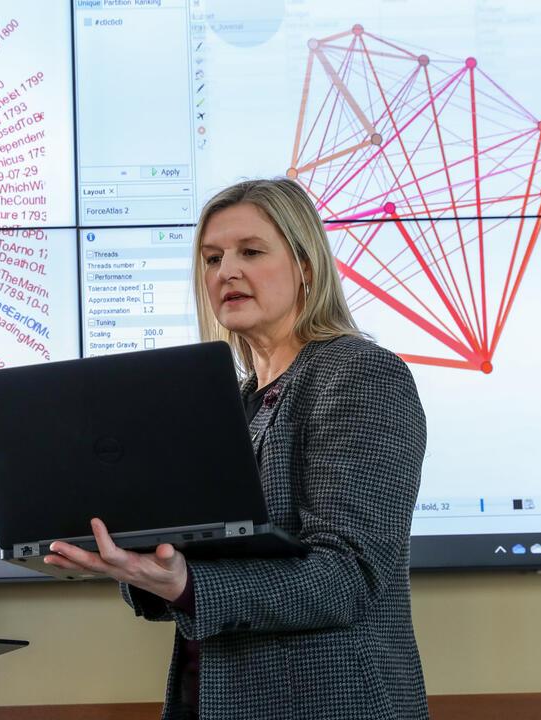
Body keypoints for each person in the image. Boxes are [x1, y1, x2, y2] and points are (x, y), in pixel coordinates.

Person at [46, 178, 429, 720]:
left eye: (250, 252)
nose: (226, 271)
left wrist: (189, 583)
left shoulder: (361, 373)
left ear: (306, 267)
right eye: (211, 258)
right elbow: (202, 570)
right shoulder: (233, 403)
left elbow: (349, 576)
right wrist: (140, 565)